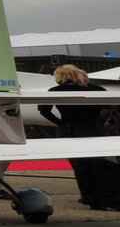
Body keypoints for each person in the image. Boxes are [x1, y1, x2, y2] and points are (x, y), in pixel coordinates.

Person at [40, 64, 118, 210]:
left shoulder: (55, 91)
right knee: (102, 167)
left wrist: (61, 123)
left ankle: (89, 197)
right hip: (94, 130)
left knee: (80, 167)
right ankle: (108, 199)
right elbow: (109, 108)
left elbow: (44, 111)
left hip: (70, 131)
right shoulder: (96, 90)